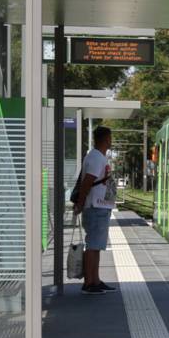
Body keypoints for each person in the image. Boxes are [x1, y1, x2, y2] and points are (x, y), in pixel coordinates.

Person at [72, 126, 116, 294]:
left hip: (99, 207)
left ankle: (95, 280)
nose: (111, 141)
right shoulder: (96, 158)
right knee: (92, 246)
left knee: (96, 246)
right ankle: (89, 283)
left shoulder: (96, 156)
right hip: (95, 207)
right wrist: (80, 203)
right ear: (106, 139)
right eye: (110, 138)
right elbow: (87, 182)